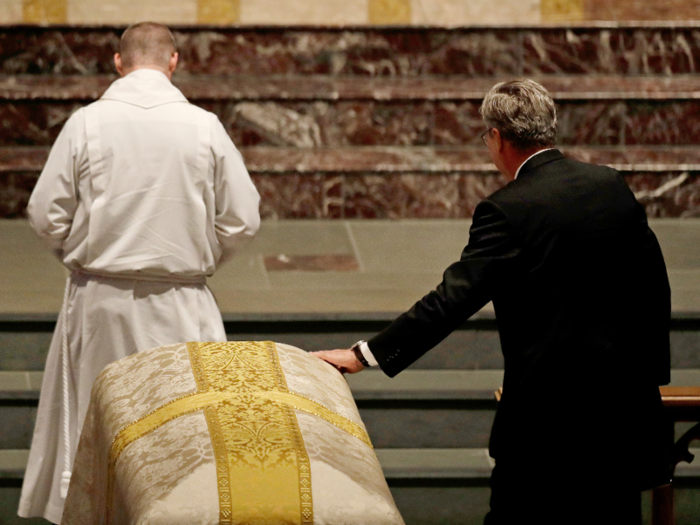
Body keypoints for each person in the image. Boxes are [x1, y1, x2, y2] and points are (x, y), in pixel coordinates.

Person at [315, 79, 671, 525]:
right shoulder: (610, 185)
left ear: (498, 138)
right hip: (621, 418)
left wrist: (362, 355)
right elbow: (654, 283)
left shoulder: (507, 209)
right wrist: (650, 377)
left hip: (546, 427)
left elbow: (453, 298)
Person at [19, 22, 260, 524]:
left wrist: (85, 256)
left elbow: (46, 214)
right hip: (180, 301)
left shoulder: (86, 124)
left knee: (98, 424)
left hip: (99, 301)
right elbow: (242, 219)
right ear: (174, 61)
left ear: (117, 62)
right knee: (181, 432)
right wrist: (197, 260)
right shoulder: (203, 125)